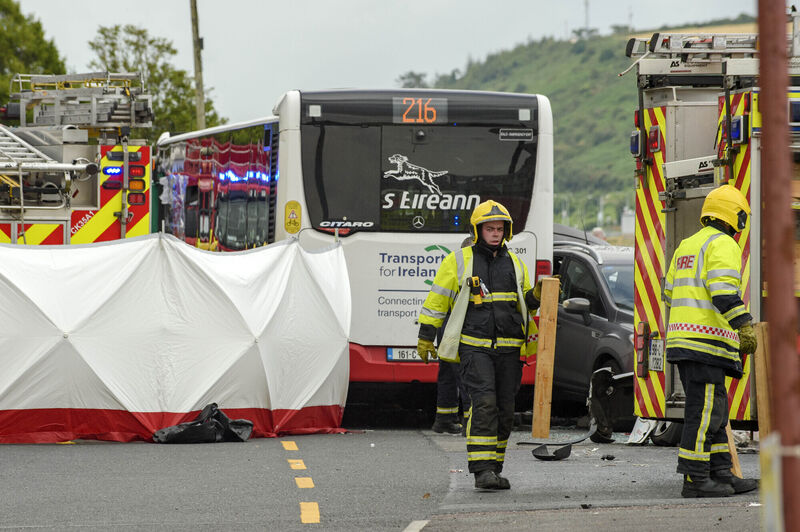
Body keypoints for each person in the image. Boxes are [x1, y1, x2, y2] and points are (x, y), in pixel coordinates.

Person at [416, 200, 542, 490]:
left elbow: (524, 304)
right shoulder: (459, 260)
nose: (495, 234)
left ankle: (495, 466)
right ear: (478, 230)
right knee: (484, 403)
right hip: (474, 348)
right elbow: (437, 301)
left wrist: (537, 294)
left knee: (505, 409)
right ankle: (482, 470)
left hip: (510, 349)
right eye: (490, 229)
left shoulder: (516, 263)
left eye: (499, 229)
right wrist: (426, 335)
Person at [663, 184, 759, 498]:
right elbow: (723, 294)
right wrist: (744, 326)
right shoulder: (724, 244)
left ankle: (721, 474)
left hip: (685, 343)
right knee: (703, 414)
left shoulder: (687, 245)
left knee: (714, 413)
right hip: (705, 345)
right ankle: (694, 480)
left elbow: (668, 294)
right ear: (735, 216)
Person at [429, 237, 473, 436]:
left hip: (446, 323)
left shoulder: (453, 264)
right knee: (466, 373)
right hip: (459, 324)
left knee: (448, 372)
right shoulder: (471, 267)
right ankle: (469, 422)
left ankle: (444, 419)